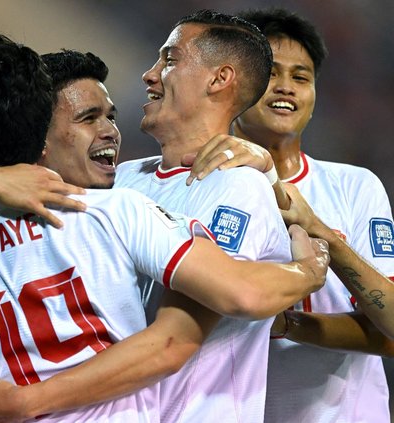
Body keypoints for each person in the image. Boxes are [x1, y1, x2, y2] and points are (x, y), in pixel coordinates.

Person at [0, 35, 329, 422]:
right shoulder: (112, 209)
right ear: (40, 132)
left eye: (108, 116)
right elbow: (222, 307)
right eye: (88, 117)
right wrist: (311, 270)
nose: (110, 129)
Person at [188, 7, 394, 422]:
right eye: (271, 73)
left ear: (316, 95)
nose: (286, 88)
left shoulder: (355, 186)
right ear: (235, 84)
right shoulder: (196, 183)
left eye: (301, 77)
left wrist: (286, 324)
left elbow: (389, 329)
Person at [114, 9, 301, 423]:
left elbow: (174, 340)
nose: (150, 74)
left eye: (170, 59)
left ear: (219, 79)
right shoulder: (120, 180)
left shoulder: (240, 187)